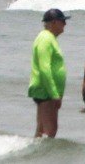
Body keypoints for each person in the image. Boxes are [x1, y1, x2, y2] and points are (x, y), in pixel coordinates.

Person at [30, 8, 68, 138]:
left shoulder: (49, 38)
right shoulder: (45, 39)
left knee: (42, 130)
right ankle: (45, 158)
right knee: (50, 130)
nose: (65, 24)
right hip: (46, 92)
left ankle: (35, 156)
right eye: (62, 21)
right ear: (53, 22)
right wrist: (54, 95)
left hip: (47, 91)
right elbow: (44, 69)